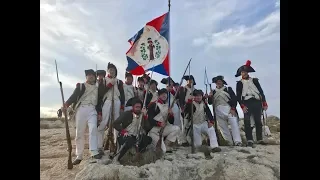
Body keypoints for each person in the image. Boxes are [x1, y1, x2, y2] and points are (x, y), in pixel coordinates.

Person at [62, 69, 102, 165]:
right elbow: (73, 96)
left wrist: (99, 113)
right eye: (89, 75)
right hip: (81, 109)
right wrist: (66, 105)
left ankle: (94, 151)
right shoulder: (81, 86)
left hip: (92, 109)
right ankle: (79, 155)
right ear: (86, 77)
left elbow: (99, 102)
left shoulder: (97, 88)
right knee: (79, 133)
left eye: (92, 75)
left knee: (93, 129)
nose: (91, 76)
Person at [235, 60, 268, 147]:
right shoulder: (239, 83)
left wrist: (264, 102)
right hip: (247, 102)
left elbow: (261, 92)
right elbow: (238, 96)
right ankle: (249, 139)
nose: (244, 73)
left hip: (257, 101)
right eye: (242, 72)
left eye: (245, 71)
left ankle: (259, 138)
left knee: (258, 121)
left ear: (247, 72)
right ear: (241, 73)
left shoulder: (255, 80)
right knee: (247, 121)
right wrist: (242, 106)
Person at [97, 63, 125, 155]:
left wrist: (122, 107)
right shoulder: (103, 80)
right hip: (107, 101)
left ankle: (117, 145)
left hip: (117, 101)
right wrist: (109, 85)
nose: (112, 71)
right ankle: (99, 147)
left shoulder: (119, 82)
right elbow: (100, 93)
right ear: (108, 71)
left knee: (116, 123)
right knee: (104, 122)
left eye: (113, 69)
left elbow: (122, 95)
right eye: (110, 69)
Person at [113, 97, 152, 162]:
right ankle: (118, 158)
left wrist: (145, 117)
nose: (138, 109)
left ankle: (139, 153)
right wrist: (123, 131)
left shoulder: (143, 115)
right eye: (136, 107)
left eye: (139, 107)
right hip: (127, 135)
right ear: (133, 107)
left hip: (137, 136)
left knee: (148, 139)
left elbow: (148, 127)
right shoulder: (127, 114)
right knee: (128, 142)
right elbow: (115, 124)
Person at [208, 75, 242, 146]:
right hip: (218, 110)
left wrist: (233, 108)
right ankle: (229, 142)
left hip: (228, 109)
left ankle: (237, 141)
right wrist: (210, 96)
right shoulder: (213, 91)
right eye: (217, 82)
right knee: (223, 128)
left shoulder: (228, 89)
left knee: (234, 125)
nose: (218, 83)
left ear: (222, 82)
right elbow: (210, 102)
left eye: (220, 81)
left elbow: (234, 99)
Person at [147, 88, 180, 153]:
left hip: (163, 129)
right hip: (154, 131)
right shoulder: (153, 105)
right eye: (162, 94)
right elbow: (150, 119)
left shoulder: (168, 106)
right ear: (159, 96)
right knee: (162, 151)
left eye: (165, 94)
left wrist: (171, 115)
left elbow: (171, 122)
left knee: (176, 128)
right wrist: (159, 123)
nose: (164, 95)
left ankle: (166, 145)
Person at [178, 75, 196, 146]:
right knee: (184, 124)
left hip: (193, 108)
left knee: (191, 125)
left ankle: (190, 139)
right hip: (185, 108)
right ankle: (183, 140)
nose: (190, 81)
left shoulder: (194, 89)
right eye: (189, 80)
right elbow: (181, 99)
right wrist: (182, 107)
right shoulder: (183, 88)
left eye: (191, 80)